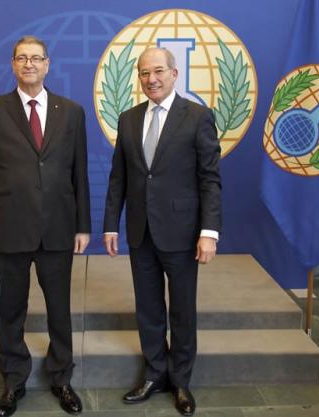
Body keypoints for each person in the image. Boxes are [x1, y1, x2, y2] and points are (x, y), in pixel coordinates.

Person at [0, 35, 91, 417]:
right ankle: (14, 380)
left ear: (47, 64)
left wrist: (83, 225)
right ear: (12, 65)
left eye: (36, 58)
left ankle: (62, 378)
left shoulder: (71, 112)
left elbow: (80, 174)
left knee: (60, 309)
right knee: (10, 309)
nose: (29, 64)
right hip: (8, 227)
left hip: (59, 227)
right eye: (22, 58)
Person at [103, 47, 221, 417]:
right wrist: (111, 224)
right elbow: (118, 177)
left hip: (184, 232)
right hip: (141, 231)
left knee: (182, 310)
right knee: (149, 309)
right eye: (143, 73)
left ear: (174, 74)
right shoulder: (127, 119)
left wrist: (209, 231)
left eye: (157, 71)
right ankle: (155, 373)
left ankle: (181, 380)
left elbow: (210, 179)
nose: (150, 79)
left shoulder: (198, 117)